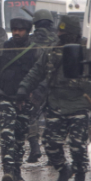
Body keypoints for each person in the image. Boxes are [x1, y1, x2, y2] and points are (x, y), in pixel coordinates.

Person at [18, 14, 91, 181]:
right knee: (50, 144)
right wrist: (23, 88)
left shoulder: (88, 50)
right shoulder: (52, 50)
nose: (60, 35)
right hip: (56, 103)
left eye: (64, 33)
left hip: (79, 103)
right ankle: (63, 170)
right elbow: (37, 71)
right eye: (60, 32)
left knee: (78, 146)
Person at [0, 16, 40, 181]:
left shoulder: (35, 51)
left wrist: (35, 95)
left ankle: (17, 171)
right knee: (7, 135)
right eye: (14, 29)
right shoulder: (2, 49)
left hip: (25, 100)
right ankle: (8, 170)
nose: (16, 33)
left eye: (20, 30)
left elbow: (41, 75)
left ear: (27, 31)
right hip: (5, 97)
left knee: (20, 136)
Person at [25, 11, 58, 163]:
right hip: (53, 86)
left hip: (34, 86)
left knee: (32, 117)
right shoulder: (57, 41)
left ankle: (34, 147)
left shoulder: (30, 41)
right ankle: (52, 154)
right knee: (52, 119)